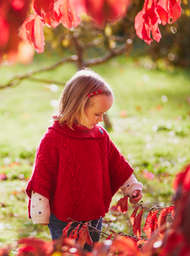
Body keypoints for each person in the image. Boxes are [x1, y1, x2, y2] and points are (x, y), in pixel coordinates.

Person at [26, 69, 143, 247]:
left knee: (90, 254)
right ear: (78, 106)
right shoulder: (54, 138)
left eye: (104, 114)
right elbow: (43, 175)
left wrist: (131, 188)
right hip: (63, 216)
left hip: (93, 213)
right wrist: (40, 209)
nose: (101, 119)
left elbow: (117, 164)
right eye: (97, 114)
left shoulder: (100, 136)